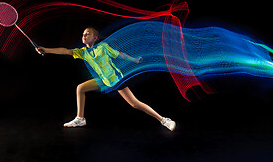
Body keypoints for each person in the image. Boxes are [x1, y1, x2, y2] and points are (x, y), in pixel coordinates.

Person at [38, 27, 176, 131]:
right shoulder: (83, 52)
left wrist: (134, 59)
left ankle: (164, 120)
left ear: (95, 37)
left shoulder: (103, 47)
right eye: (83, 34)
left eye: (88, 34)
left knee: (134, 103)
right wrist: (46, 49)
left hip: (115, 79)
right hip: (103, 81)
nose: (84, 35)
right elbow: (65, 51)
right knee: (80, 88)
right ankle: (80, 119)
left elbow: (119, 54)